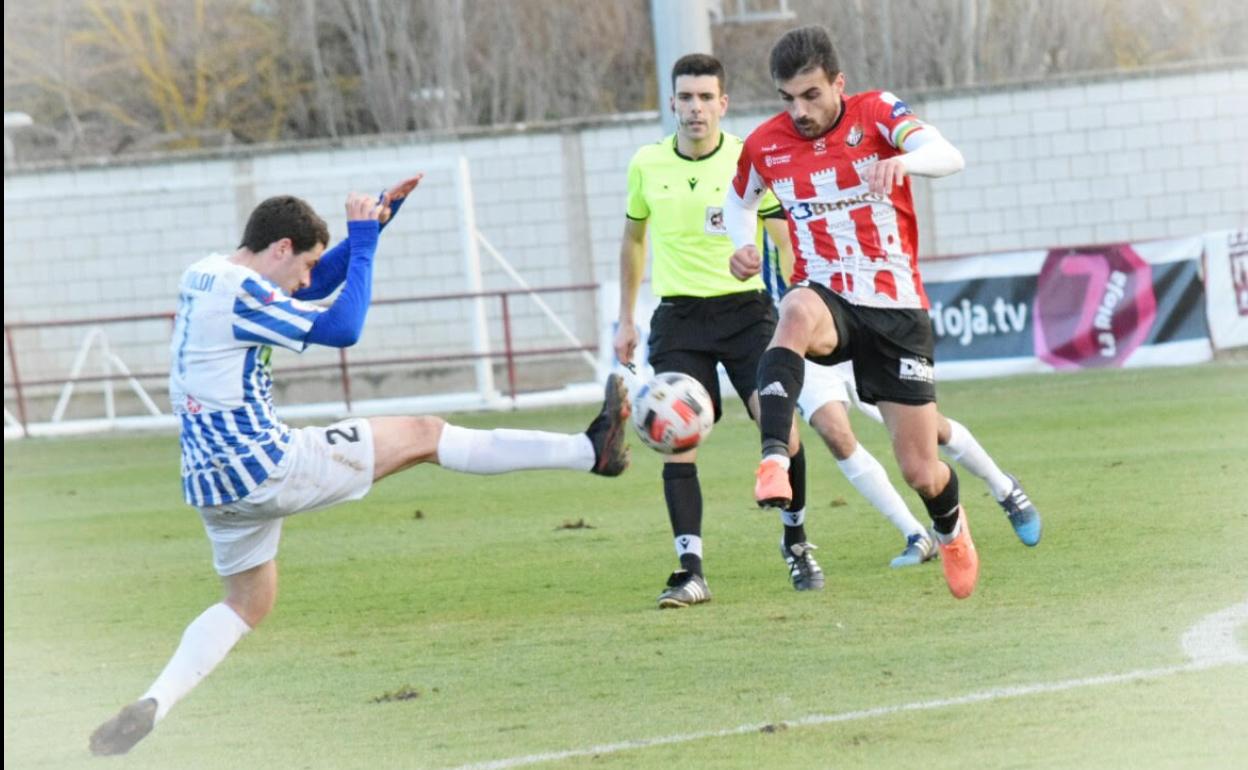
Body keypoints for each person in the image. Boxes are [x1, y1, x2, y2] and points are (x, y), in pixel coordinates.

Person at [89, 176, 631, 755]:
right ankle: (588, 451)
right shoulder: (246, 292)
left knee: (248, 601)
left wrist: (374, 228)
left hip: (208, 482)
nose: (306, 279)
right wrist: (364, 242)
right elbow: (344, 328)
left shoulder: (207, 274)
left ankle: (156, 701)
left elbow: (311, 284)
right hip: (265, 465)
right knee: (426, 434)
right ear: (279, 249)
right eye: (304, 263)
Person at [724, 25, 987, 599]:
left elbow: (950, 155)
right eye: (787, 98)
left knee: (921, 470)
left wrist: (907, 164)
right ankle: (772, 458)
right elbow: (736, 198)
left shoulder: (878, 112)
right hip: (828, 294)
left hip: (895, 308)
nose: (799, 110)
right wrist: (740, 246)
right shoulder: (765, 143)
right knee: (792, 309)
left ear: (838, 83)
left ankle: (951, 526)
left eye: (811, 94)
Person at [614, 53, 817, 609]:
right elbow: (633, 240)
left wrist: (795, 283)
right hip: (678, 319)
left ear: (723, 104)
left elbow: (782, 231)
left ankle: (796, 539)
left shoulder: (749, 159)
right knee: (676, 440)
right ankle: (690, 570)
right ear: (673, 102)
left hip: (746, 315)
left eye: (706, 97)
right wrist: (626, 318)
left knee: (782, 429)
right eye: (686, 97)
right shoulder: (647, 164)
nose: (696, 108)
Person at [760, 245, 1042, 567]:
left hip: (861, 312)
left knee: (928, 430)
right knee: (834, 432)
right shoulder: (752, 199)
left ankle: (1004, 487)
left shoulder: (796, 201)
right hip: (806, 329)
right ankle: (915, 534)